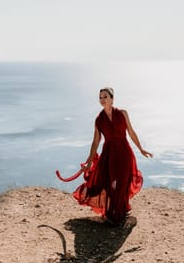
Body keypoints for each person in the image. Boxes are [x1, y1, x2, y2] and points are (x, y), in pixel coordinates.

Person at [57, 87, 153, 225]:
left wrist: (141, 149)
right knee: (109, 184)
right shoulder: (99, 120)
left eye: (105, 97)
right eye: (100, 97)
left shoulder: (123, 113)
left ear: (112, 99)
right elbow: (96, 141)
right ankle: (112, 214)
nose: (102, 100)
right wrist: (89, 161)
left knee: (122, 183)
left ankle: (121, 212)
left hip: (124, 152)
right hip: (109, 154)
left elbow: (131, 132)